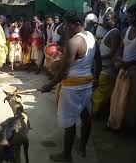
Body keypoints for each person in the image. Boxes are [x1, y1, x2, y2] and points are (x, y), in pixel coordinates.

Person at [41, 11, 101, 162]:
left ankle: (66, 156)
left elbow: (64, 70)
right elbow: (98, 60)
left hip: (72, 87)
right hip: (87, 83)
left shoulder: (74, 42)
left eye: (68, 24)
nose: (65, 27)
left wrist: (50, 84)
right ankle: (82, 147)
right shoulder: (91, 37)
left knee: (69, 122)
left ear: (77, 24)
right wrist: (97, 78)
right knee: (85, 115)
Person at [108, 4, 136, 130]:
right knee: (118, 98)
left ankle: (129, 127)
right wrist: (117, 59)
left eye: (132, 17)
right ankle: (116, 123)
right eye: (128, 17)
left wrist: (131, 63)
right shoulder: (125, 30)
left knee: (133, 102)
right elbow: (121, 49)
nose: (129, 19)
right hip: (124, 69)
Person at [92, 12, 121, 116]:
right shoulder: (109, 32)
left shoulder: (115, 32)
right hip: (103, 67)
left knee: (102, 91)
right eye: (104, 19)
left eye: (107, 19)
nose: (104, 22)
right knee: (103, 90)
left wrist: (98, 58)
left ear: (115, 20)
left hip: (107, 68)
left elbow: (113, 53)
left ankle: (95, 112)